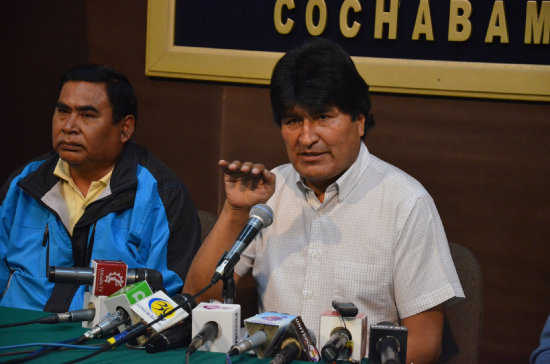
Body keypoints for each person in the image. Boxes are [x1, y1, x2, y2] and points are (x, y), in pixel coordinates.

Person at [183, 38, 464, 364]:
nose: (306, 137)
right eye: (292, 121)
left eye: (323, 118)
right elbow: (199, 299)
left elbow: (425, 344)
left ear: (359, 120)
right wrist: (235, 211)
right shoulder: (269, 192)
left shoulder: (406, 203)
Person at [0, 64, 201, 312]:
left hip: (108, 340)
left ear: (125, 128)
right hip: (18, 331)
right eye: (63, 111)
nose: (69, 126)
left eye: (87, 115)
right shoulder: (24, 183)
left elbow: (169, 297)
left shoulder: (164, 195)